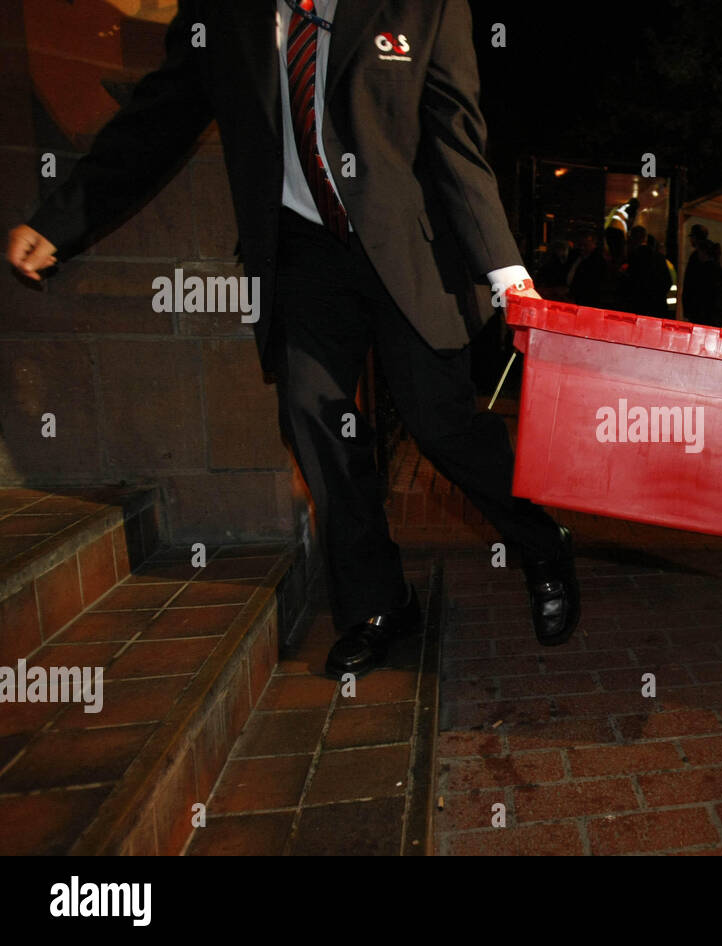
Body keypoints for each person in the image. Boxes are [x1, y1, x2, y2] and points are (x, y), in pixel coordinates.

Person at [7, 0, 582, 678]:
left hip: (408, 250)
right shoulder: (224, 15)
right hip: (303, 254)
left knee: (440, 424)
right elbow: (153, 120)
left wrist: (508, 276)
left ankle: (542, 545)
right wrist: (61, 222)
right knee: (315, 418)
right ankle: (381, 602)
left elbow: (454, 136)